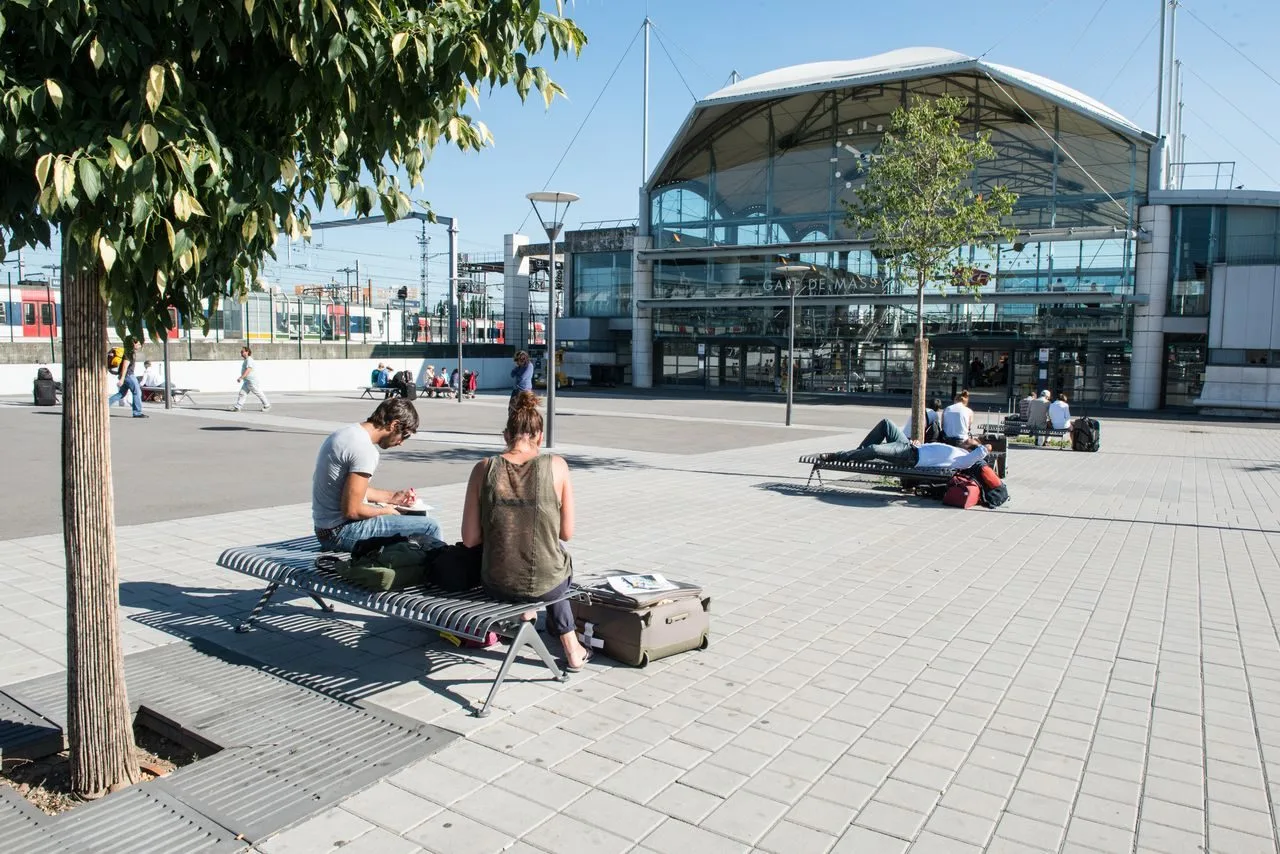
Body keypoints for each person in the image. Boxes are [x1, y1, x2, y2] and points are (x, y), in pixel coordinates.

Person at [460, 391, 590, 672]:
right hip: (547, 585)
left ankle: (527, 616)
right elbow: (566, 533)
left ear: (505, 435)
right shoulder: (557, 466)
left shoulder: (483, 468)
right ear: (540, 436)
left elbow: (470, 539)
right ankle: (571, 646)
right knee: (557, 557)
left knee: (525, 555)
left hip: (497, 584)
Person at [312, 397, 442, 552]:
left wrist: (392, 498)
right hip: (339, 533)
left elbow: (350, 490)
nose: (401, 442)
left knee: (417, 515)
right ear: (394, 425)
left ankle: (405, 566)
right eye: (404, 435)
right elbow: (352, 510)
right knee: (429, 527)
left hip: (325, 528)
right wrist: (384, 511)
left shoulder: (347, 433)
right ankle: (438, 573)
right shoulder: (365, 450)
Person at [823, 418, 991, 469]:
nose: (965, 439)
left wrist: (987, 446)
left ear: (971, 447)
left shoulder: (963, 460)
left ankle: (838, 456)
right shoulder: (955, 450)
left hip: (910, 457)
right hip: (911, 447)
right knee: (886, 424)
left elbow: (982, 451)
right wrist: (917, 443)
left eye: (969, 439)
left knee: (874, 449)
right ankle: (859, 453)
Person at [108, 340, 147, 418]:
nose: (140, 346)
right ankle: (137, 412)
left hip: (125, 375)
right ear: (133, 344)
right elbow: (125, 366)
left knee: (121, 394)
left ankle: (105, 406)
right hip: (128, 375)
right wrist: (122, 379)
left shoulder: (129, 352)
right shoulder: (129, 353)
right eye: (138, 344)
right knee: (137, 392)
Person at [233, 346, 271, 412]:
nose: (241, 353)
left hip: (251, 381)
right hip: (247, 381)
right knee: (242, 393)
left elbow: (249, 369)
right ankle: (238, 407)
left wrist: (241, 377)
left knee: (258, 392)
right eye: (241, 352)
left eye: (242, 351)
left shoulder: (249, 360)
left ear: (247, 352)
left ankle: (267, 405)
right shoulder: (246, 360)